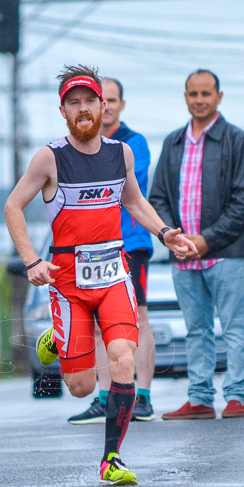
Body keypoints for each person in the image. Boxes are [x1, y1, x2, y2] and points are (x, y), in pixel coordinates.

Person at [4, 65, 193, 486]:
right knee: (81, 387)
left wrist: (164, 232)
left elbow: (133, 199)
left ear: (103, 106)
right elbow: (13, 206)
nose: (84, 109)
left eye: (90, 101)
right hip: (67, 280)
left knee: (123, 356)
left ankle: (112, 458)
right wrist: (33, 260)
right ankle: (56, 337)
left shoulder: (120, 154)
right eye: (75, 103)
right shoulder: (49, 158)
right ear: (64, 111)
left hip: (113, 274)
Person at [149, 69, 244, 420]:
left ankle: (237, 397)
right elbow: (158, 197)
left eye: (206, 94)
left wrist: (206, 240)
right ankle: (198, 399)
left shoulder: (237, 141)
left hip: (225, 255)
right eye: (193, 94)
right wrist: (172, 235)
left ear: (219, 97)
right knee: (197, 330)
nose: (199, 100)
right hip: (183, 256)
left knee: (235, 328)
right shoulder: (173, 143)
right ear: (185, 97)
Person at [68, 77, 158, 425]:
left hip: (129, 243)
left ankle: (144, 396)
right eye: (97, 99)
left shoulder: (132, 144)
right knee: (94, 324)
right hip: (90, 247)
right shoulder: (76, 146)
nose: (104, 105)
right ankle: (105, 398)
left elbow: (125, 189)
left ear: (120, 105)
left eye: (111, 99)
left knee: (139, 318)